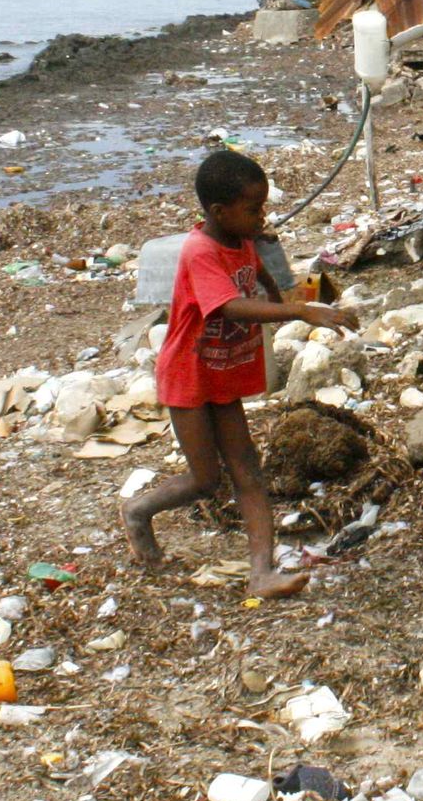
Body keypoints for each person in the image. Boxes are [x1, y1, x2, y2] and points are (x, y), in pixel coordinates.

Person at [120, 148, 358, 596]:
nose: (261, 216)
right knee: (204, 478)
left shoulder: (242, 240)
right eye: (253, 209)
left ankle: (261, 574)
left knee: (248, 470)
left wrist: (299, 300)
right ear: (218, 211)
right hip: (189, 374)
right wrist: (300, 313)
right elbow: (229, 305)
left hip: (222, 374)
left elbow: (263, 280)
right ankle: (139, 511)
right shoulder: (200, 252)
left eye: (263, 206)